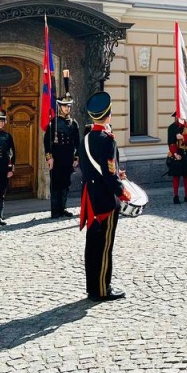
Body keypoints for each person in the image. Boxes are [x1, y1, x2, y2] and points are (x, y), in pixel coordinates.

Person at [78, 91, 130, 302]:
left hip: (91, 197)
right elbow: (108, 174)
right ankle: (101, 289)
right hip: (105, 201)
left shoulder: (87, 138)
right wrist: (122, 190)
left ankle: (93, 286)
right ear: (108, 115)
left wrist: (116, 174)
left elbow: (92, 168)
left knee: (93, 245)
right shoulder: (107, 140)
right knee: (104, 245)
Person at [44, 79, 79, 218]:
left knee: (66, 184)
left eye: (69, 106)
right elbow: (47, 142)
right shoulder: (54, 123)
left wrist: (76, 157)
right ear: (60, 107)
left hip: (68, 159)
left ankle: (63, 207)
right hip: (56, 159)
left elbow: (77, 142)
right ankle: (55, 210)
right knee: (56, 185)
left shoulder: (73, 123)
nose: (67, 108)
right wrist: (49, 157)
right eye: (65, 106)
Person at [166, 111, 187, 204]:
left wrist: (183, 137)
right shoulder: (172, 127)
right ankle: (176, 196)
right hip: (177, 151)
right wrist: (175, 154)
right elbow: (171, 142)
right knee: (176, 176)